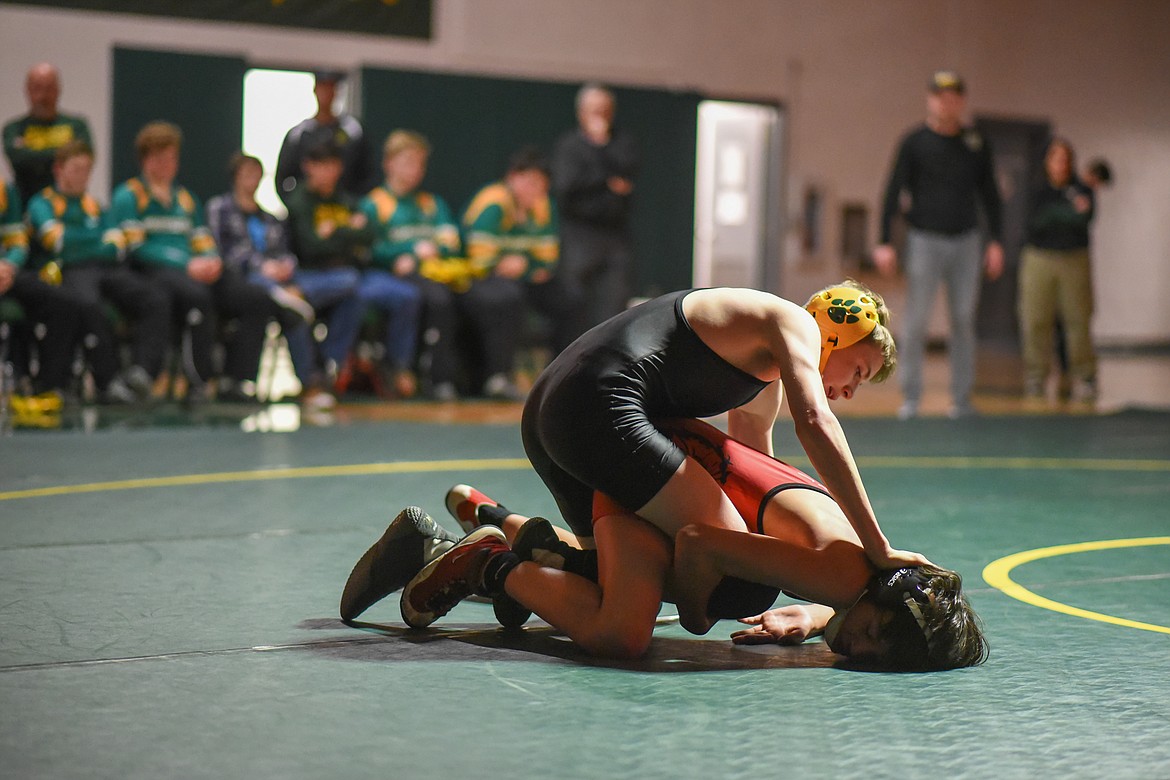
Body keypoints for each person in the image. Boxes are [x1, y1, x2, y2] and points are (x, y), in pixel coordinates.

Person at [111, 122, 277, 403]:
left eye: (171, 157)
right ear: (145, 159)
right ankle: (200, 380)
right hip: (156, 273)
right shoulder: (129, 196)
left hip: (197, 270)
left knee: (256, 298)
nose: (166, 164)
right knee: (196, 296)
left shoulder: (186, 200)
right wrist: (185, 264)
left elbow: (203, 241)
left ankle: (236, 380)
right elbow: (137, 248)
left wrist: (211, 261)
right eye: (159, 158)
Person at [874, 70, 1004, 420]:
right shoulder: (914, 142)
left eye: (954, 97)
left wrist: (997, 241)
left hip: (966, 240)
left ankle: (961, 399)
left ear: (961, 102)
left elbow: (991, 194)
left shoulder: (975, 142)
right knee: (916, 320)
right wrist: (884, 241)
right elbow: (892, 190)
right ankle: (911, 397)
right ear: (931, 100)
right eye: (940, 96)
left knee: (963, 318)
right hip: (924, 240)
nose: (947, 103)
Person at [24, 141, 169, 404]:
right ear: (59, 169)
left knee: (154, 297)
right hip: (67, 271)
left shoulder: (95, 205)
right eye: (76, 169)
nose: (83, 176)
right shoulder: (42, 203)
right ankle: (107, 381)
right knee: (89, 305)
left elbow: (117, 246)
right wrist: (95, 241)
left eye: (87, 170)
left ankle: (142, 373)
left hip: (105, 270)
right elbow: (57, 244)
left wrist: (79, 241)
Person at [285, 141, 418, 403]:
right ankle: (323, 364)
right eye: (321, 165)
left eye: (333, 165)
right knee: (347, 286)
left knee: (394, 294)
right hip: (312, 275)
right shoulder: (299, 202)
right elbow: (311, 247)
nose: (327, 172)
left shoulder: (345, 199)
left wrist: (335, 231)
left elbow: (367, 234)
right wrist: (348, 231)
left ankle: (383, 366)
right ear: (308, 167)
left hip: (350, 276)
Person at [461, 146, 584, 399]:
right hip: (477, 280)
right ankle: (498, 378)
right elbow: (480, 259)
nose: (535, 190)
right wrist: (517, 264)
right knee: (508, 296)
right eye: (529, 182)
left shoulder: (542, 206)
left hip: (522, 279)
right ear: (512, 177)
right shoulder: (492, 202)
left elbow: (547, 261)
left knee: (571, 297)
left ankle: (562, 375)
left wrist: (522, 264)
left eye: (541, 185)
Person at [361, 130, 468, 401]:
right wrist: (404, 252)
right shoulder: (375, 204)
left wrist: (420, 254)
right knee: (434, 299)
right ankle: (417, 373)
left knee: (462, 296)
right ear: (389, 164)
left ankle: (450, 376)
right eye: (408, 161)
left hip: (433, 274)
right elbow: (368, 250)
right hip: (392, 280)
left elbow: (451, 242)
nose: (415, 170)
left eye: (420, 163)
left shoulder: (431, 203)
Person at [552, 83, 639, 329]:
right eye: (594, 110)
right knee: (572, 302)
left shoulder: (622, 142)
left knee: (614, 306)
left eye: (604, 110)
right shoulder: (569, 145)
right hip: (580, 234)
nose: (600, 116)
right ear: (581, 113)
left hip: (615, 236)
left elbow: (628, 171)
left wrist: (601, 147)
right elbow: (567, 185)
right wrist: (605, 180)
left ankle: (608, 364)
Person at [1017, 137, 1098, 405]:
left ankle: (1085, 376)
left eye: (1065, 159)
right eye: (1055, 158)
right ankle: (1036, 376)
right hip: (1039, 257)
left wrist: (1057, 214)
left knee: (1078, 319)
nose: (1060, 164)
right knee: (1036, 319)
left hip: (1074, 258)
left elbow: (1084, 218)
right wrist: (1063, 213)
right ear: (1047, 162)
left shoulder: (1081, 189)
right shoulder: (1036, 190)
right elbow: (1035, 222)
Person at [274, 71, 375, 208]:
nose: (326, 94)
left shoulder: (353, 130)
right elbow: (283, 178)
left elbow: (367, 175)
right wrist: (296, 207)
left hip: (344, 210)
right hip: (307, 208)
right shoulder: (299, 133)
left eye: (330, 88)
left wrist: (354, 206)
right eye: (322, 88)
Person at [3, 63, 93, 204]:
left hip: (69, 205)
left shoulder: (76, 125)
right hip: (25, 204)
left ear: (58, 90)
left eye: (49, 88)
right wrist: (63, 155)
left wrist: (32, 153)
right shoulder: (14, 128)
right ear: (27, 90)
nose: (43, 96)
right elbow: (18, 158)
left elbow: (84, 159)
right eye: (37, 88)